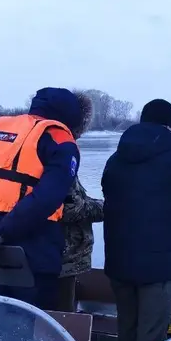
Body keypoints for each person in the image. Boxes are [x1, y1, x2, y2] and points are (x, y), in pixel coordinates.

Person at [0, 87, 84, 311]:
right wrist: (0, 234)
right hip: (35, 256)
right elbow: (47, 198)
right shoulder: (61, 139)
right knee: (35, 332)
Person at [102, 99, 171, 341]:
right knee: (151, 340)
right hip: (158, 266)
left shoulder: (116, 159)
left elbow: (108, 196)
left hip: (118, 261)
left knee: (126, 329)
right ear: (170, 126)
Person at [59, 102, 104, 311]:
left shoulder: (36, 147)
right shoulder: (60, 151)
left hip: (46, 255)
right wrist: (110, 208)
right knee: (61, 319)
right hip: (63, 259)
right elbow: (71, 208)